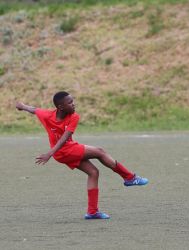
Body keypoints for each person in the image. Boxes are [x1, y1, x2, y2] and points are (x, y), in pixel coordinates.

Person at [16, 91, 148, 220]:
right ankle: (129, 177)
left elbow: (35, 110)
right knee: (100, 151)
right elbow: (61, 137)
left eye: (73, 101)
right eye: (70, 102)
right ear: (60, 107)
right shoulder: (48, 115)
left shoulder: (73, 116)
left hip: (63, 152)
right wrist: (50, 153)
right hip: (65, 151)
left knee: (93, 172)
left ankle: (92, 212)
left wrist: (22, 106)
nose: (74, 104)